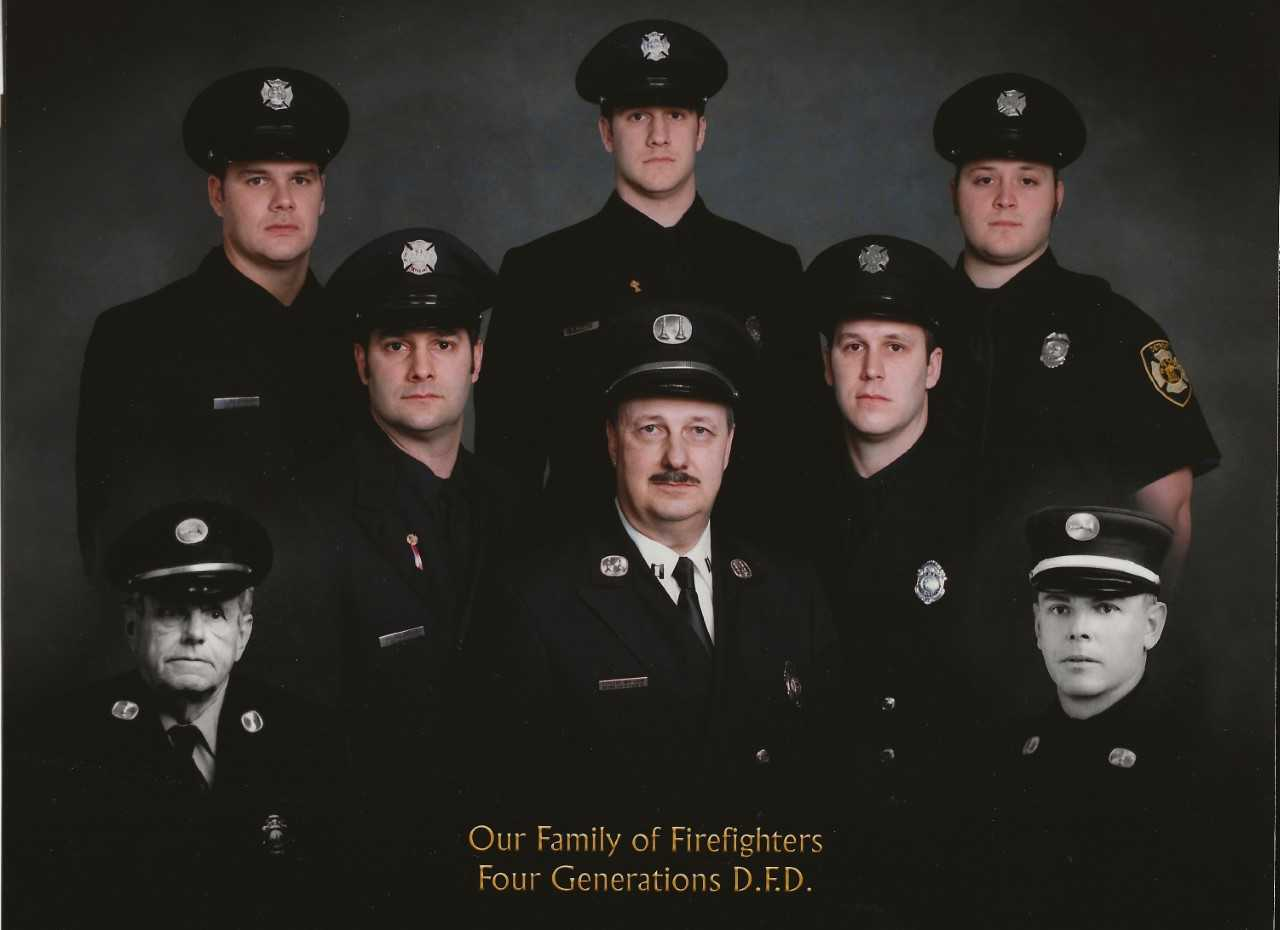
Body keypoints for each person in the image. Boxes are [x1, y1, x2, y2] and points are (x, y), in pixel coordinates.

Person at [478, 20, 815, 531]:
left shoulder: (770, 270)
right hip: (581, 559)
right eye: (637, 116)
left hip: (743, 560)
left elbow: (803, 451)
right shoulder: (540, 273)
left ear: (701, 131)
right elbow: (507, 465)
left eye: (676, 115)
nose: (658, 136)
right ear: (606, 132)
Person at [279, 228, 520, 918]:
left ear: (477, 360)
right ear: (362, 363)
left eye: (443, 343)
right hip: (371, 878)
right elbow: (302, 740)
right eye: (396, 346)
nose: (421, 369)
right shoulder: (309, 515)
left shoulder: (520, 511)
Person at [932, 73, 1219, 579]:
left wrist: (1145, 625)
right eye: (984, 179)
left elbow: (1169, 513)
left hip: (1062, 613)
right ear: (954, 193)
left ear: (1057, 196)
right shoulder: (909, 324)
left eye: (1028, 180)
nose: (1005, 199)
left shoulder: (1114, 328)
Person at [76, 67, 352, 577]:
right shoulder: (137, 339)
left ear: (323, 195)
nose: (283, 201)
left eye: (301, 178)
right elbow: (115, 540)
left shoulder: (361, 333)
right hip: (210, 621)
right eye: (256, 179)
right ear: (217, 194)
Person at [5, 501, 333, 930]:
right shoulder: (57, 745)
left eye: (215, 613)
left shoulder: (309, 740)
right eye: (171, 611)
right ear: (131, 627)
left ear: (243, 634)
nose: (194, 633)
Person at [805, 235, 987, 923]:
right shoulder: (781, 509)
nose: (872, 369)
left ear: (933, 367)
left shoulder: (989, 511)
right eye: (852, 346)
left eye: (897, 347)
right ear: (826, 363)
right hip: (813, 850)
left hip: (945, 859)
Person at [974, 505, 1264, 928]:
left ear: (1152, 626)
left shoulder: (1203, 771)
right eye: (1059, 609)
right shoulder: (1000, 762)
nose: (1078, 629)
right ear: (1037, 627)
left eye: (1106, 608)